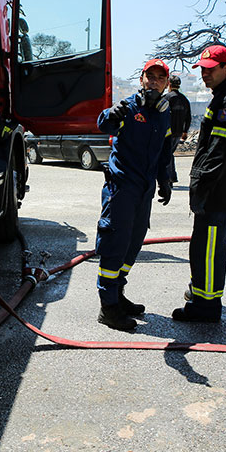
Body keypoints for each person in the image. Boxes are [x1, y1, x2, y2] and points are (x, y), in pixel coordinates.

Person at [173, 45, 226, 323]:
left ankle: (205, 307)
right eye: (202, 69)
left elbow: (217, 152)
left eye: (210, 69)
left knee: (206, 250)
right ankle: (203, 294)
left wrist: (201, 186)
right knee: (211, 247)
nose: (204, 74)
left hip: (217, 191)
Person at [94, 58, 174, 331]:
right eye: (150, 76)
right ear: (141, 79)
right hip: (122, 188)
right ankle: (108, 307)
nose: (154, 82)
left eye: (160, 78)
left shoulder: (164, 112)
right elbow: (104, 124)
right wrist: (112, 113)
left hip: (144, 190)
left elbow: (164, 150)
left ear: (166, 83)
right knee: (115, 243)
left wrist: (165, 179)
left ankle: (118, 293)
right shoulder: (128, 107)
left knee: (134, 243)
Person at [162, 74, 192, 184]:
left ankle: (169, 178)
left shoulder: (166, 98)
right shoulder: (184, 99)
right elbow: (188, 117)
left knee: (166, 154)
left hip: (167, 132)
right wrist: (185, 131)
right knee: (169, 153)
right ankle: (171, 177)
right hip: (179, 132)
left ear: (168, 84)